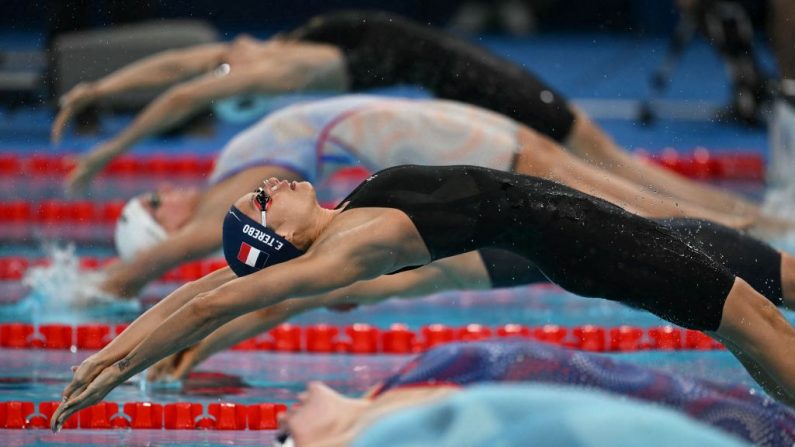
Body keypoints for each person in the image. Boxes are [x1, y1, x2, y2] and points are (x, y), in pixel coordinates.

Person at [50, 165, 795, 431]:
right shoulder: (346, 248)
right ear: (278, 241)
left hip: (587, 233)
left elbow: (206, 288)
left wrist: (112, 346)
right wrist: (112, 368)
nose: (270, 185)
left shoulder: (350, 213)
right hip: (598, 245)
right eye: (262, 201)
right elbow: (218, 304)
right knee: (756, 320)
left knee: (751, 328)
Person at [53, 10, 763, 222]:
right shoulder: (273, 47)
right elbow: (177, 72)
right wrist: (96, 92)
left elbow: (181, 94)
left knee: (616, 170)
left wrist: (101, 154)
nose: (222, 75)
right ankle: (753, 219)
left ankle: (752, 223)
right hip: (467, 83)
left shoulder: (278, 67)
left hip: (486, 86)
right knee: (615, 172)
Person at [101, 95, 760, 299]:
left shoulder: (263, 189)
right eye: (153, 208)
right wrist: (110, 289)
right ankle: (762, 221)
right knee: (661, 218)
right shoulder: (255, 201)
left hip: (485, 151)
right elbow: (224, 270)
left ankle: (759, 220)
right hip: (491, 158)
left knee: (655, 207)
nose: (164, 191)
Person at [146, 216, 794, 382]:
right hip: (669, 247)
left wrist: (181, 353)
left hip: (681, 250)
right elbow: (271, 300)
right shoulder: (382, 249)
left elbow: (269, 303)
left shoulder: (370, 260)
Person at [278, 340, 794, 447]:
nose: (281, 422)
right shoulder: (393, 437)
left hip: (666, 395)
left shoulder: (392, 395)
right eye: (283, 442)